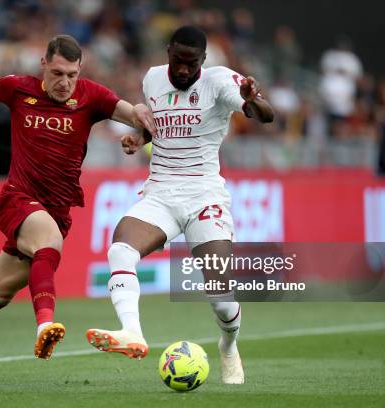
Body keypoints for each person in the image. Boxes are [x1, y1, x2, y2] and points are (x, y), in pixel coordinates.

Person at [0, 34, 156, 381]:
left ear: (80, 70)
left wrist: (141, 132)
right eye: (57, 73)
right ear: (43, 66)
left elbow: (139, 116)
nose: (64, 82)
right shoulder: (19, 90)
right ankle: (44, 327)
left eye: (71, 74)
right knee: (48, 241)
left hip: (57, 210)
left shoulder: (92, 96)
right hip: (17, 198)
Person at [85, 26, 274, 385]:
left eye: (192, 64)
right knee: (121, 249)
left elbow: (265, 116)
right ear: (167, 52)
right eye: (177, 61)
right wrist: (140, 138)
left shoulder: (220, 81)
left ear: (204, 60)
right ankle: (132, 333)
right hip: (161, 192)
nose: (183, 70)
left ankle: (229, 344)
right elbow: (160, 127)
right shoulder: (153, 79)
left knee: (219, 295)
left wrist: (252, 99)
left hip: (204, 196)